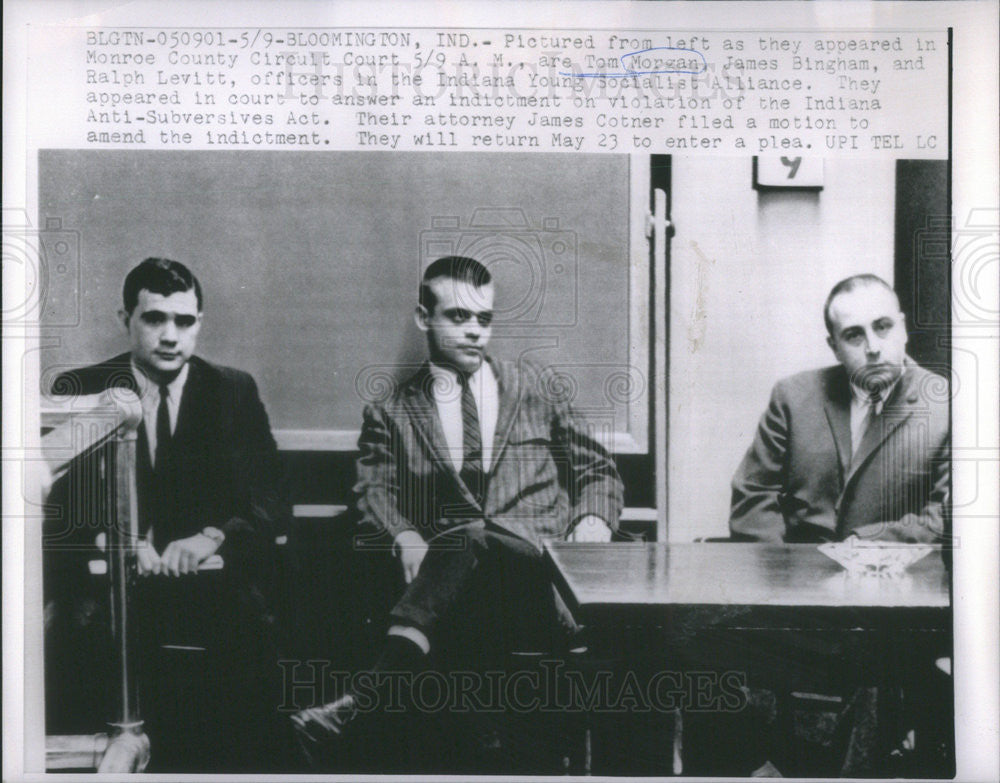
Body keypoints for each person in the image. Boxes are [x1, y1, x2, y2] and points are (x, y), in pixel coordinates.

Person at [291, 256, 624, 760]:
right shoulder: (391, 411)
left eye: (483, 319)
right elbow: (371, 490)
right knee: (470, 537)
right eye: (458, 317)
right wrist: (402, 534)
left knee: (472, 533)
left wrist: (593, 519)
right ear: (424, 317)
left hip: (540, 577)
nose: (474, 332)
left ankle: (362, 701)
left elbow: (598, 471)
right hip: (457, 593)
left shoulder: (537, 387)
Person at [48, 257, 291, 771]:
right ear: (125, 319)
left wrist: (211, 537)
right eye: (154, 318)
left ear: (199, 323)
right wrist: (116, 541)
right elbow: (57, 513)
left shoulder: (233, 390)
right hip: (106, 595)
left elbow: (270, 503)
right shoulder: (81, 387)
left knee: (247, 682)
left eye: (184, 321)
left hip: (208, 593)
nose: (170, 335)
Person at [730, 273, 949, 544]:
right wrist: (778, 570)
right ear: (834, 347)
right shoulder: (792, 397)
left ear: (902, 329)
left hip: (895, 576)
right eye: (854, 335)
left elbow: (946, 514)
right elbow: (754, 496)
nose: (873, 348)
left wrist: (862, 549)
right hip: (796, 577)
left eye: (883, 326)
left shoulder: (948, 406)